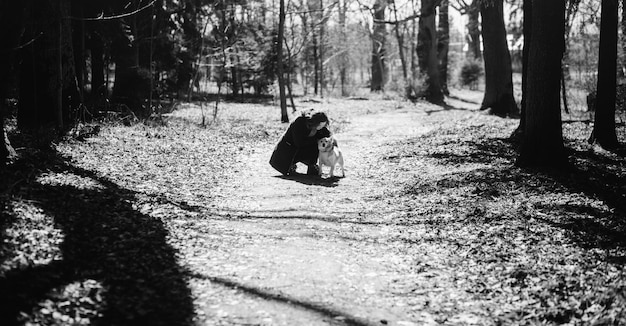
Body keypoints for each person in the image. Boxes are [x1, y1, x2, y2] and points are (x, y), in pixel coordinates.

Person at [270, 110, 331, 176]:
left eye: (323, 125)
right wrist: (316, 140)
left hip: (300, 148)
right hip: (287, 151)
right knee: (315, 144)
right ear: (315, 121)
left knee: (318, 145)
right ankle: (291, 165)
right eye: (320, 124)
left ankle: (312, 165)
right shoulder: (300, 122)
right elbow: (299, 142)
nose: (322, 126)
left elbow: (328, 137)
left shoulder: (320, 127)